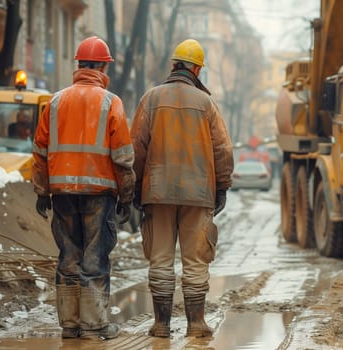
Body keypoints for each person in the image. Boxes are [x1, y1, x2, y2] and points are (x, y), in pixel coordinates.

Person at [32, 36, 135, 340]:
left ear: (78, 65)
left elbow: (39, 151)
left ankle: (70, 325)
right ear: (103, 66)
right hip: (98, 195)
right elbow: (123, 158)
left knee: (68, 258)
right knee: (94, 259)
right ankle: (94, 324)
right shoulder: (110, 102)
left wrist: (42, 190)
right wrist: (126, 196)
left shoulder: (55, 101)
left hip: (62, 193)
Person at [130, 38, 234, 338]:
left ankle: (161, 324)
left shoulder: (150, 98)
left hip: (157, 192)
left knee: (160, 258)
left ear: (173, 65)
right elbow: (223, 150)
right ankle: (196, 323)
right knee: (196, 260)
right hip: (198, 194)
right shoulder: (206, 104)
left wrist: (134, 188)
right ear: (197, 70)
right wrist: (222, 186)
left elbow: (136, 147)